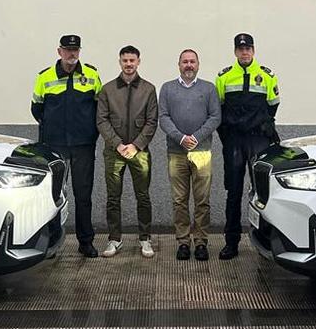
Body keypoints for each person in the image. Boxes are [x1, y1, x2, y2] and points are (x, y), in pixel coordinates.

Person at [32, 34, 102, 258]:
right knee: (53, 195)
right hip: (55, 146)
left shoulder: (91, 74)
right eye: (67, 50)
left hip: (83, 144)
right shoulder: (45, 77)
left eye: (76, 50)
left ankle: (86, 241)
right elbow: (37, 109)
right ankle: (51, 242)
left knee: (83, 195)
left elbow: (100, 107)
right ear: (59, 51)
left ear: (79, 51)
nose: (72, 54)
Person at [214, 32, 280, 260]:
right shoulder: (224, 77)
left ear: (253, 50)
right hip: (234, 140)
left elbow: (273, 106)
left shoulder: (266, 75)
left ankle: (264, 240)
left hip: (257, 139)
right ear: (235, 51)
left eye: (248, 48)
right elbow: (218, 110)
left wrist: (261, 127)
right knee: (233, 191)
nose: (244, 52)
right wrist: (228, 135)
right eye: (241, 49)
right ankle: (231, 242)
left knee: (262, 192)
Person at [95, 45, 158, 258]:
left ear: (139, 61)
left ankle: (145, 239)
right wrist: (118, 144)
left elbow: (152, 122)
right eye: (125, 61)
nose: (129, 64)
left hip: (139, 151)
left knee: (143, 196)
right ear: (120, 62)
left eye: (132, 60)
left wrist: (136, 145)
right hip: (114, 151)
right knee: (113, 197)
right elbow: (101, 120)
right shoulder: (108, 89)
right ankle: (115, 239)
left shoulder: (149, 89)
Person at [158, 48, 220, 261]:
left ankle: (201, 242)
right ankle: (183, 242)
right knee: (179, 201)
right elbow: (163, 117)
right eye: (185, 61)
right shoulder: (167, 89)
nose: (188, 65)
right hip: (176, 153)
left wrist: (196, 136)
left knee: (202, 200)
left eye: (192, 61)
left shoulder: (209, 88)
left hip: (202, 152)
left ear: (198, 64)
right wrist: (180, 138)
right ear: (179, 65)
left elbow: (215, 117)